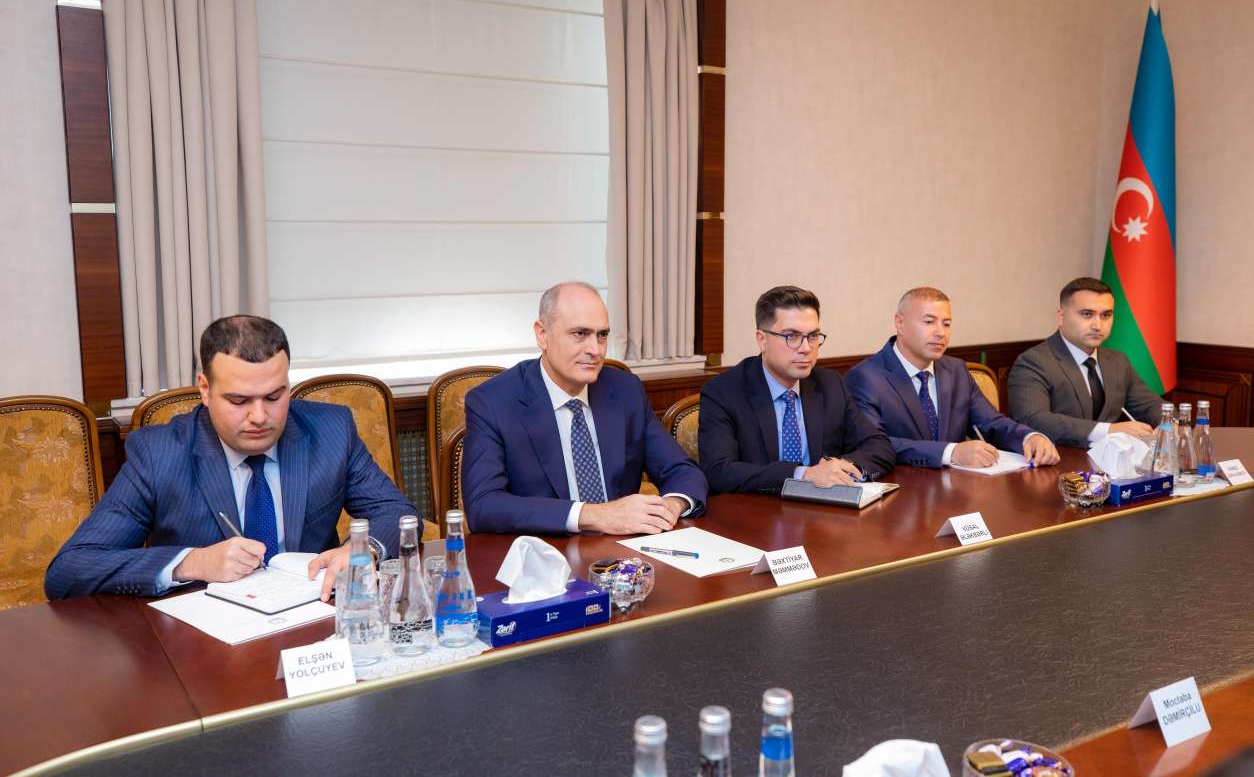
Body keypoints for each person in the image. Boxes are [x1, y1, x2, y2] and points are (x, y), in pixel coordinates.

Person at [45, 315, 416, 601]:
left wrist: (363, 548)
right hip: (205, 638)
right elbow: (70, 569)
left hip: (310, 625)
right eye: (239, 400)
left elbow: (396, 513)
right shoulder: (160, 453)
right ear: (205, 389)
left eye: (274, 397)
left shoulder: (331, 431)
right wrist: (190, 562)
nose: (259, 416)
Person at [462, 282, 707, 534]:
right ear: (542, 334)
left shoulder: (625, 390)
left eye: (602, 335)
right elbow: (483, 505)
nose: (595, 350)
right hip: (546, 549)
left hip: (623, 548)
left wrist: (670, 507)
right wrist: (593, 515)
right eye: (580, 334)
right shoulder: (493, 402)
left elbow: (682, 471)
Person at [699, 286, 895, 493]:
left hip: (825, 506)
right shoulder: (724, 392)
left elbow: (879, 445)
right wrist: (803, 474)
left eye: (813, 336)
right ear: (762, 340)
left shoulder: (830, 384)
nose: (806, 348)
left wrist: (845, 469)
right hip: (759, 507)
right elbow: (717, 471)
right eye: (791, 336)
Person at [845, 287, 1059, 468]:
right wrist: (950, 452)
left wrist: (1030, 437)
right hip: (902, 490)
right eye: (929, 322)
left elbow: (991, 422)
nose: (941, 332)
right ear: (900, 323)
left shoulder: (956, 370)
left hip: (957, 488)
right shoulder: (865, 377)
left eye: (946, 324)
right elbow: (875, 444)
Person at [1007, 277, 1164, 448]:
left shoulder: (1117, 361)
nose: (1098, 325)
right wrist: (1108, 430)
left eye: (1106, 315)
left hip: (1111, 460)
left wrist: (1170, 424)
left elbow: (1151, 405)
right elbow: (1033, 419)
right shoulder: (1033, 362)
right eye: (1087, 314)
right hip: (1061, 459)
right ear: (1061, 317)